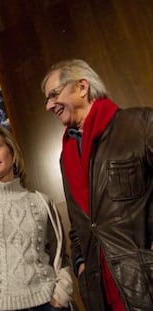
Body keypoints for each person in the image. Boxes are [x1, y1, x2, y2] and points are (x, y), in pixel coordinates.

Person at [42, 59, 153, 311]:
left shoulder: (141, 124)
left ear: (82, 86)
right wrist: (81, 262)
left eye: (54, 94)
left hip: (145, 285)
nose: (49, 105)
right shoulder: (65, 155)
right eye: (47, 99)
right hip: (99, 293)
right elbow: (78, 224)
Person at [0, 124, 73, 311]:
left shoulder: (42, 202)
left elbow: (60, 255)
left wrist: (62, 294)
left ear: (12, 153)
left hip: (49, 304)